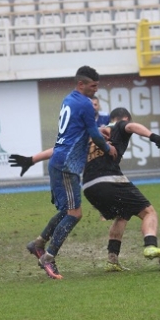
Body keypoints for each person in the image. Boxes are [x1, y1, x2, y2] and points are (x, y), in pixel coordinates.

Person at [9, 108, 160, 272]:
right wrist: (153, 136)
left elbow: (59, 150)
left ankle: (112, 260)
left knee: (122, 214)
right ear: (123, 118)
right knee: (148, 212)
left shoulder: (90, 135)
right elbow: (132, 127)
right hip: (109, 180)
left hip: (89, 186)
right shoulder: (119, 126)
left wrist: (31, 159)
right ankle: (150, 246)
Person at [24, 65, 118, 280]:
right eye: (93, 87)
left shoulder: (69, 99)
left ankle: (38, 243)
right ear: (81, 84)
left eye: (97, 87)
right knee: (75, 214)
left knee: (68, 210)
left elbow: (81, 129)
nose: (95, 91)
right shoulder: (85, 103)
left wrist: (95, 131)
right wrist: (107, 147)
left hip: (59, 161)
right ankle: (48, 257)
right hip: (68, 165)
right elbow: (92, 132)